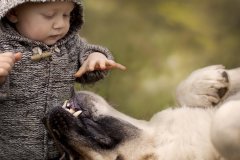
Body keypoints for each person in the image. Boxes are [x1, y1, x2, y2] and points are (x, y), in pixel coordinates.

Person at [0, 0, 126, 159]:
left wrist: (95, 59)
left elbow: (87, 53)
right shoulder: (2, 46)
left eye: (66, 15)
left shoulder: (69, 44)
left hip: (63, 149)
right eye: (49, 16)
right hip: (9, 152)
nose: (60, 24)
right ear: (12, 13)